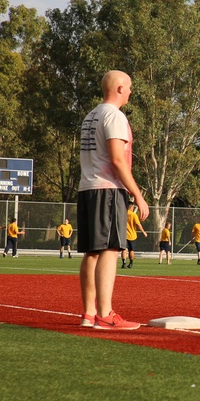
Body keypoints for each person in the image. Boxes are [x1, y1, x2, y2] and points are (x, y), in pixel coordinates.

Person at [77, 70, 148, 330]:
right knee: (109, 249)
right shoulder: (114, 116)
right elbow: (118, 160)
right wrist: (138, 194)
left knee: (92, 252)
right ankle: (105, 315)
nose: (130, 92)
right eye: (129, 87)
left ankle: (89, 314)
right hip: (107, 189)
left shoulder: (90, 115)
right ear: (119, 88)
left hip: (87, 187)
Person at [120, 202, 147, 268]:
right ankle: (131, 263)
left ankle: (124, 263)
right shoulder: (133, 215)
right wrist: (143, 232)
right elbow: (138, 224)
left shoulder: (123, 214)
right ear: (131, 207)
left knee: (124, 249)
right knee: (131, 250)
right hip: (132, 236)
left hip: (124, 235)